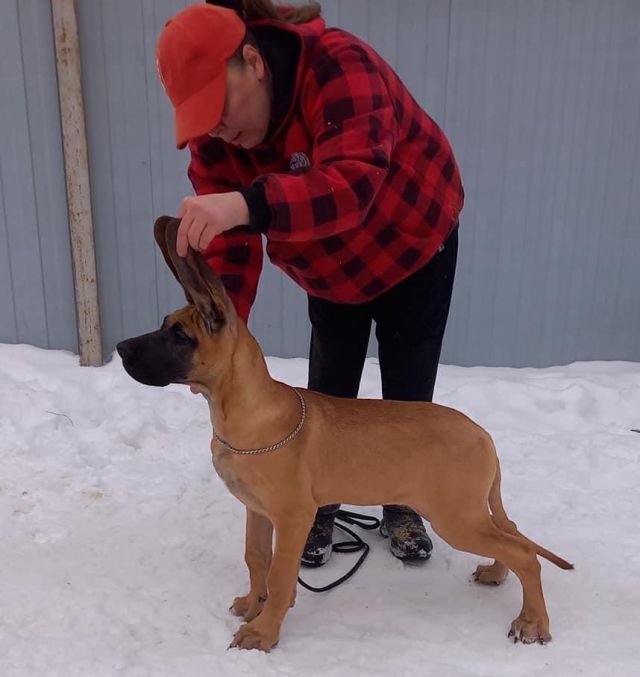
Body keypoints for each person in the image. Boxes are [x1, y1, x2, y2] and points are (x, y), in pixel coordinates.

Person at [156, 0, 464, 567]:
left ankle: (403, 501)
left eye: (218, 108)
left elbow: (352, 183)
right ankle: (317, 499)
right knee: (330, 386)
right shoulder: (218, 138)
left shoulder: (339, 66)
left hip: (412, 238)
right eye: (200, 119)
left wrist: (246, 204)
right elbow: (229, 251)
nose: (216, 129)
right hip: (330, 265)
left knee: (407, 385)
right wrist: (219, 335)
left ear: (254, 62)